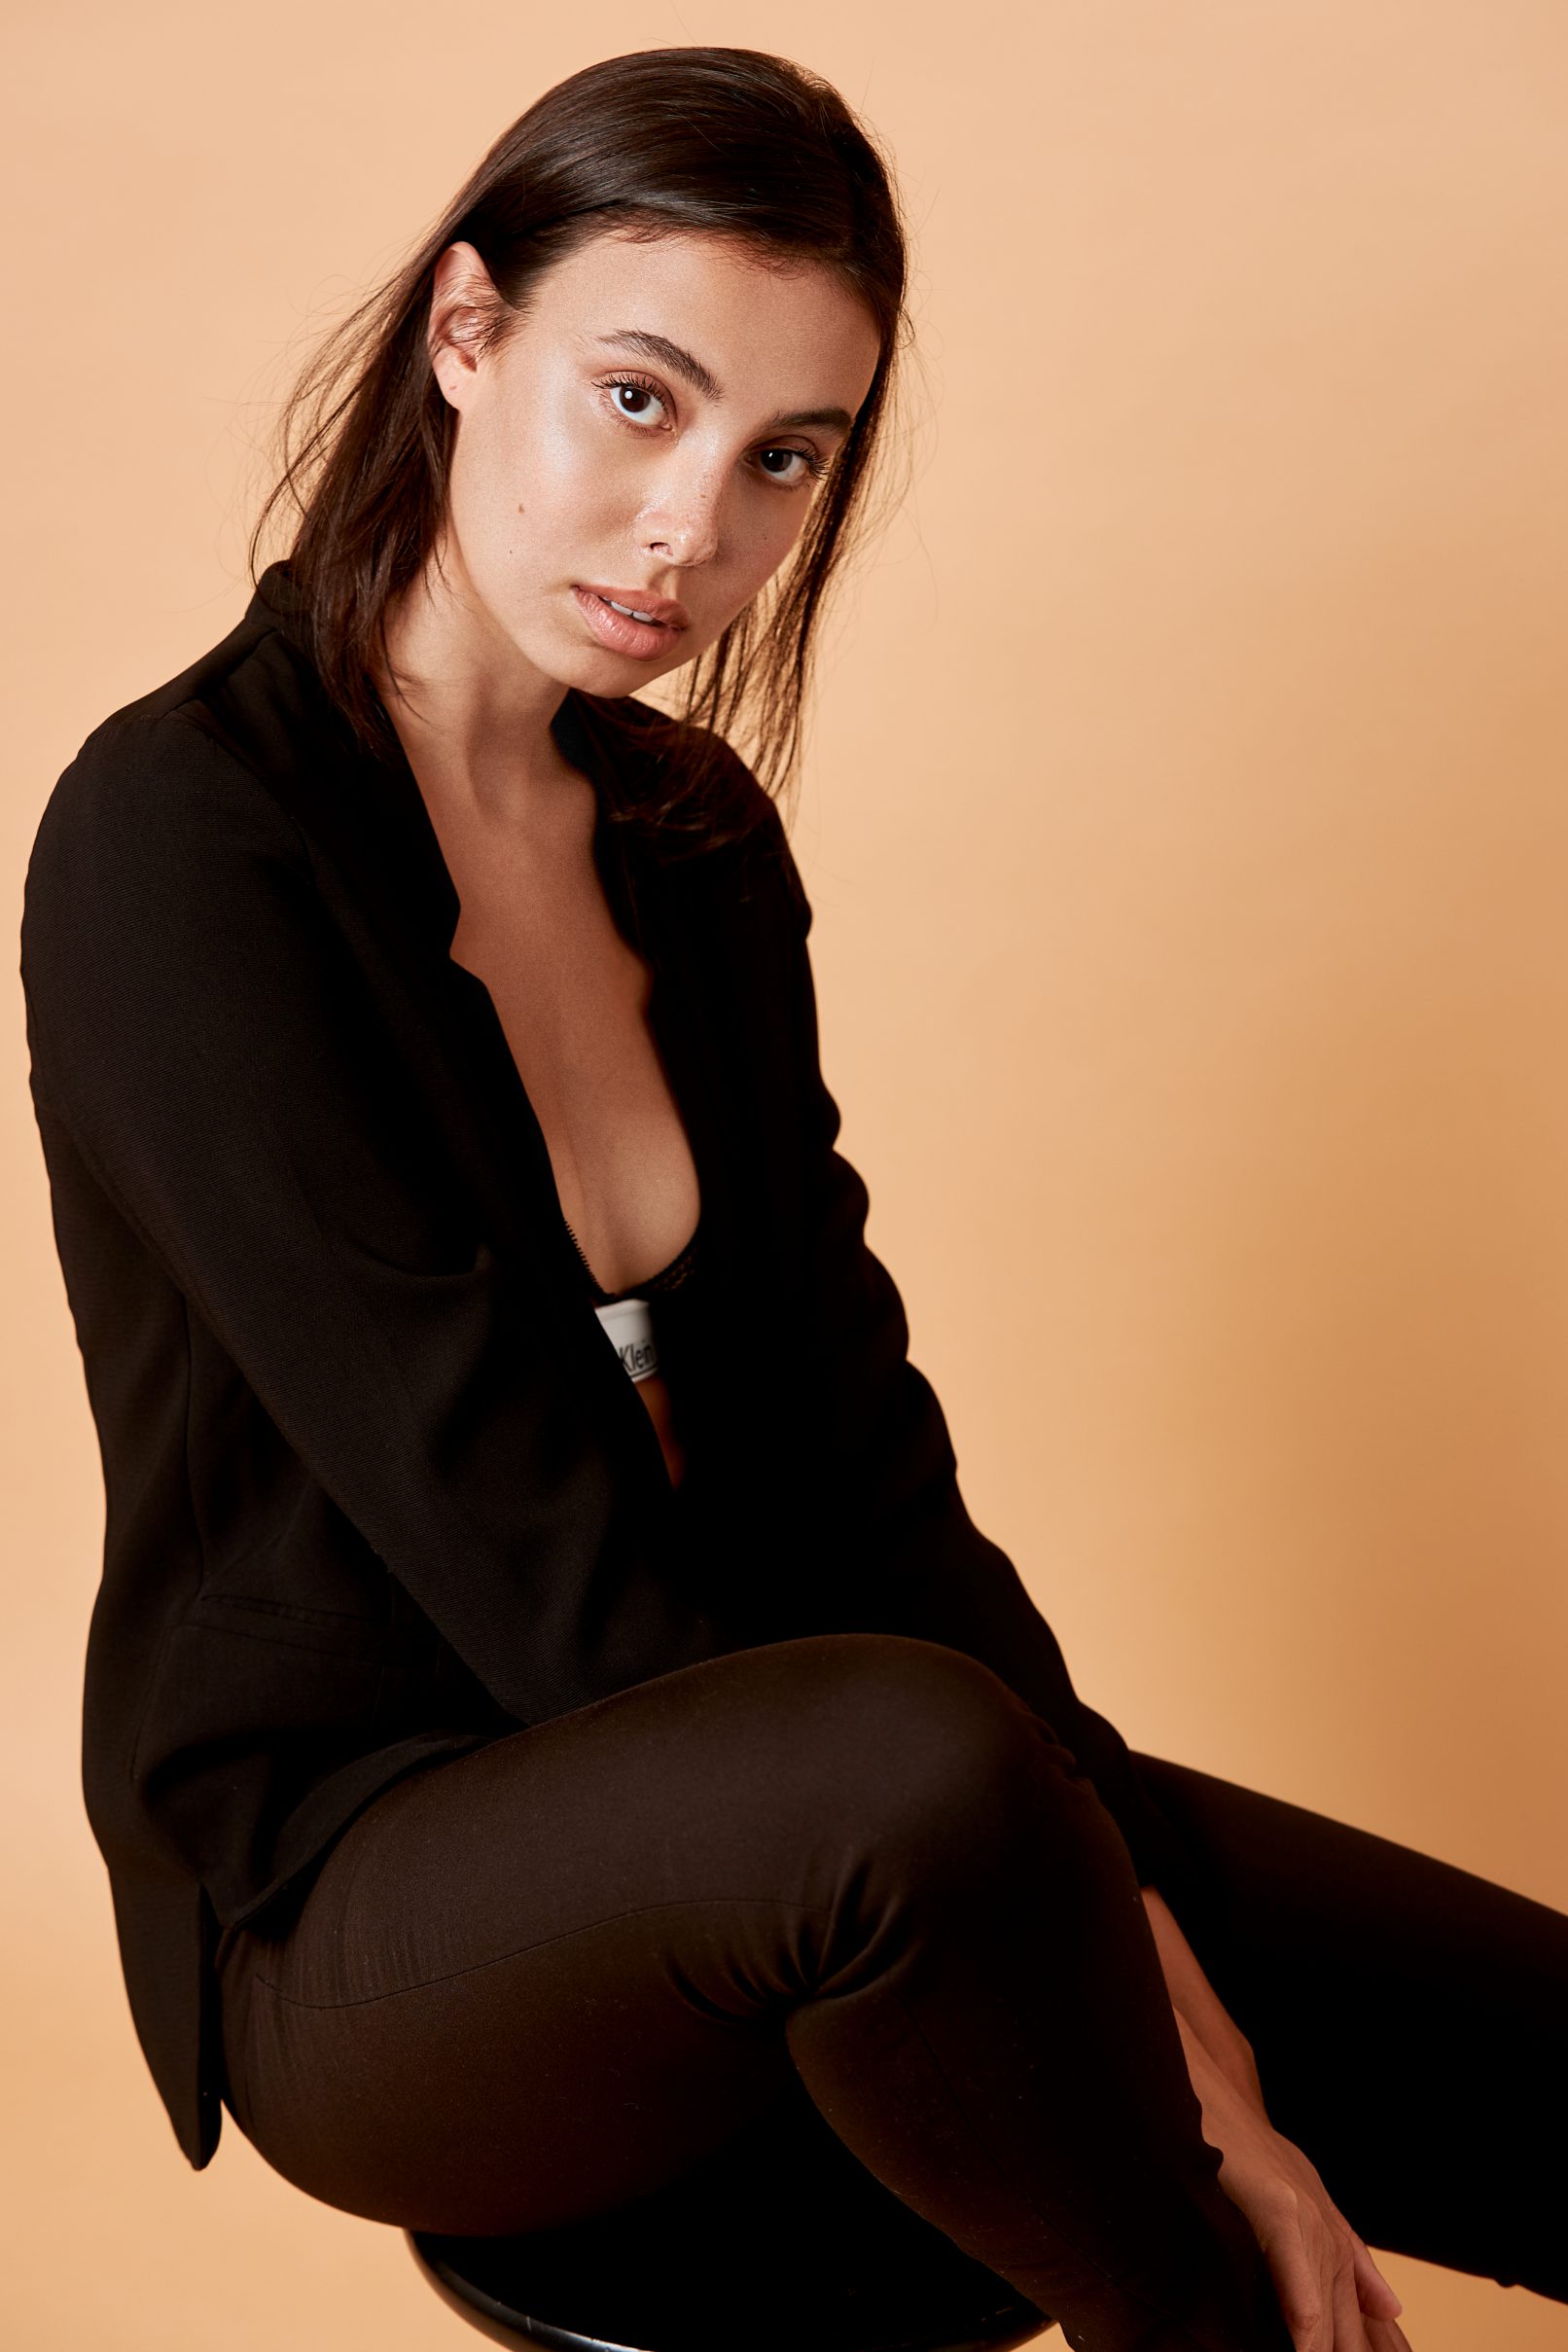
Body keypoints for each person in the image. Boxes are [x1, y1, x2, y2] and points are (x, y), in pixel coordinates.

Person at [19, 45, 1567, 2352]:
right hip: (368, 1905)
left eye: (781, 458)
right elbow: (526, 1555)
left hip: (825, 1797)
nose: (692, 530)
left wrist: (1144, 1923)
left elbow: (862, 1472)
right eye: (637, 400)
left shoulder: (690, 844)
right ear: (467, 334)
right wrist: (1193, 2103)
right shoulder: (183, 845)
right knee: (920, 1775)